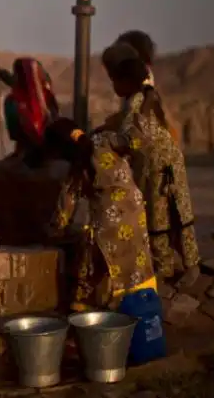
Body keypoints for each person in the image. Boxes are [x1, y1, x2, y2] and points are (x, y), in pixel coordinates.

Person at [44, 118, 157, 311]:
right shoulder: (104, 139)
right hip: (135, 211)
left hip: (109, 221)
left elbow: (65, 205)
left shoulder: (77, 166)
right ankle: (141, 307)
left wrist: (55, 231)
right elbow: (136, 141)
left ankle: (85, 315)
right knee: (137, 261)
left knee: (89, 269)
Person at [108, 58, 200, 285]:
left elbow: (135, 137)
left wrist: (111, 143)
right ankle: (171, 266)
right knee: (165, 215)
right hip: (159, 164)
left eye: (115, 81)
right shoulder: (140, 98)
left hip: (160, 166)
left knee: (167, 216)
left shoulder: (139, 102)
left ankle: (184, 266)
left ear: (127, 81)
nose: (113, 86)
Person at [0, 57, 59, 167]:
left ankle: (26, 151)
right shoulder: (32, 90)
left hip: (41, 148)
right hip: (40, 148)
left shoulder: (43, 98)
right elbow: (12, 80)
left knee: (12, 103)